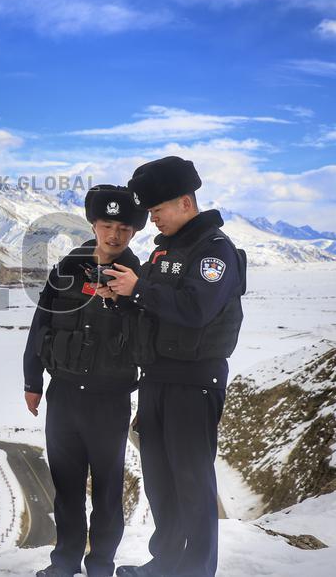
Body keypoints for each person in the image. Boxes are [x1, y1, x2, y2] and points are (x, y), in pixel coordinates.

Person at [102, 156, 246, 577]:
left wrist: (139, 287)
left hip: (194, 382)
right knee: (161, 482)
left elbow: (197, 308)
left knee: (192, 482)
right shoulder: (165, 251)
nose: (153, 219)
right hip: (159, 379)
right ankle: (165, 562)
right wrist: (124, 297)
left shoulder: (214, 251)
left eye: (157, 211)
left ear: (185, 202)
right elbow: (153, 307)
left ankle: (196, 569)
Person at [23, 185, 148, 577]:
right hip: (63, 397)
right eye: (107, 225)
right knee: (67, 490)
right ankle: (63, 564)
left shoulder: (139, 277)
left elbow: (148, 339)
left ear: (133, 233)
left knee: (108, 493)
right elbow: (41, 322)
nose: (114, 235)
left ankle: (100, 567)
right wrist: (32, 380)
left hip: (109, 401)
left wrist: (127, 300)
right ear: (94, 225)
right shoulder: (65, 269)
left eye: (124, 229)